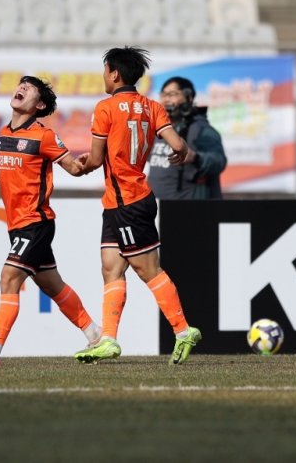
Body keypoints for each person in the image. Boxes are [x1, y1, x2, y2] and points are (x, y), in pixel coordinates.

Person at [73, 46, 201, 365]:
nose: (104, 76)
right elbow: (178, 145)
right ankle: (109, 340)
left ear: (114, 74)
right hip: (124, 200)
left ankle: (183, 330)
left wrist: (80, 165)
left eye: (105, 71)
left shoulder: (105, 108)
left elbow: (97, 158)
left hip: (127, 200)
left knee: (148, 270)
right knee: (111, 267)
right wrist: (182, 153)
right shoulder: (153, 107)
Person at [0, 76, 101, 366]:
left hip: (36, 222)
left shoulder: (45, 136)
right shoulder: (4, 132)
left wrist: (91, 161)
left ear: (38, 105)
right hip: (17, 224)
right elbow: (14, 169)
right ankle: (95, 335)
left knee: (9, 277)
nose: (21, 88)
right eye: (20, 85)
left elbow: (74, 168)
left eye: (30, 88)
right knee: (53, 286)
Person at [148, 77, 227, 199]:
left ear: (188, 97)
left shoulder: (202, 130)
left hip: (189, 210)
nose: (166, 99)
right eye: (163, 95)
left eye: (172, 94)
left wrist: (195, 157)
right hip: (157, 210)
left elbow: (219, 162)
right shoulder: (160, 129)